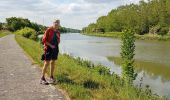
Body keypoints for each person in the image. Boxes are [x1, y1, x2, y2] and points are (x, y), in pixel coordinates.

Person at [40, 19, 60, 85]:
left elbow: (58, 41)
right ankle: (42, 78)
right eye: (55, 23)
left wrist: (55, 46)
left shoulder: (58, 32)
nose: (56, 24)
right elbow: (43, 40)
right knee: (46, 63)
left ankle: (51, 77)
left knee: (53, 62)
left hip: (55, 49)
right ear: (53, 23)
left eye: (58, 23)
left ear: (59, 24)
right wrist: (50, 45)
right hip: (48, 48)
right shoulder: (48, 30)